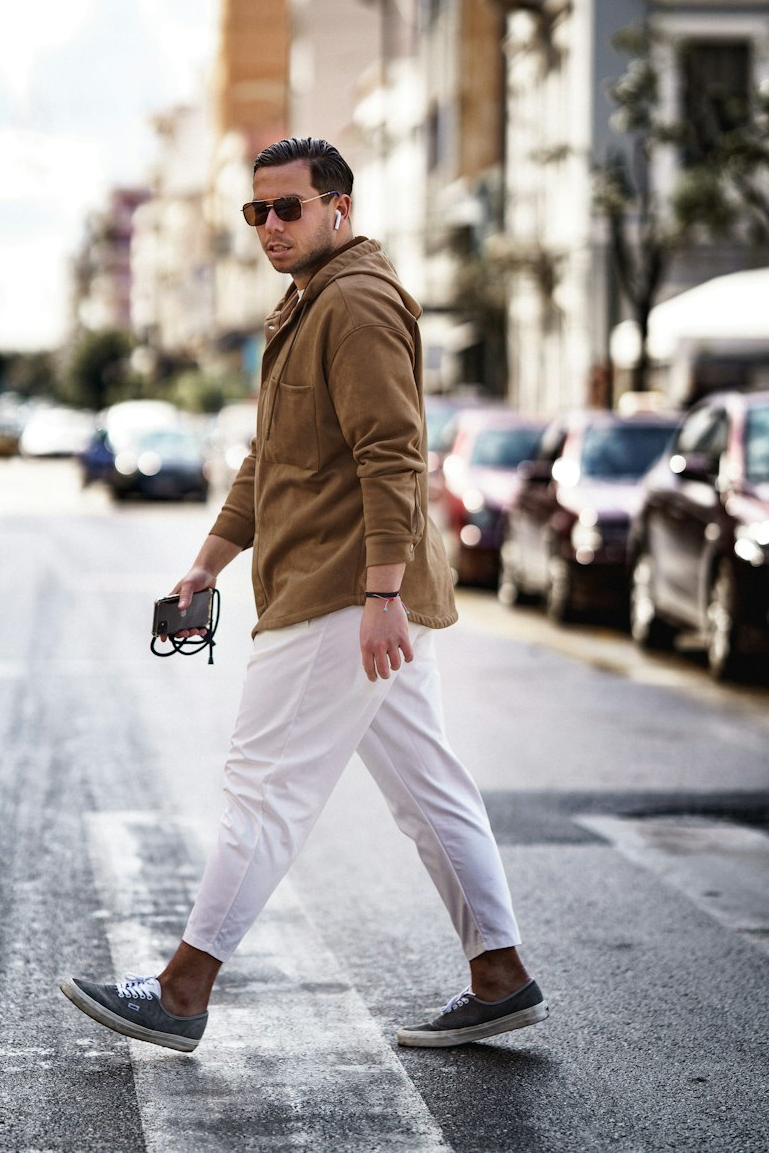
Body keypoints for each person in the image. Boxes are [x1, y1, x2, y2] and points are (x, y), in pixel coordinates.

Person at [60, 137, 548, 1054]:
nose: (271, 227)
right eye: (258, 212)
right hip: (341, 586)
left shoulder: (354, 305)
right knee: (429, 789)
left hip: (340, 591)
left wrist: (379, 594)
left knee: (263, 788)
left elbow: (395, 454)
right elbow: (269, 459)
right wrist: (208, 561)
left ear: (339, 209)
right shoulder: (305, 306)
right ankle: (500, 973)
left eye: (289, 208)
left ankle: (180, 990)